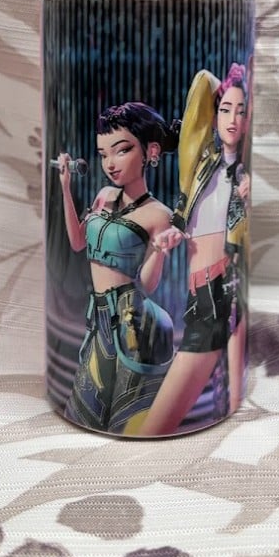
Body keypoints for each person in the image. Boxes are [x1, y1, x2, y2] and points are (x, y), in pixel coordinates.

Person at [139, 63, 250, 436]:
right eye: (225, 109)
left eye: (241, 112)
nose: (232, 119)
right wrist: (233, 84)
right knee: (218, 409)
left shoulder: (246, 176)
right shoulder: (203, 165)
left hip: (225, 296)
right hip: (198, 301)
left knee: (222, 410)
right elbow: (203, 81)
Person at [57, 102, 180, 435]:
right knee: (85, 408)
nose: (110, 163)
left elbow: (147, 285)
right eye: (103, 154)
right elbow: (78, 243)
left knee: (126, 416)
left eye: (122, 150)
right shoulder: (104, 195)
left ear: (150, 151)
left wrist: (159, 250)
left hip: (132, 321)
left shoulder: (159, 214)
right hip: (98, 315)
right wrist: (65, 187)